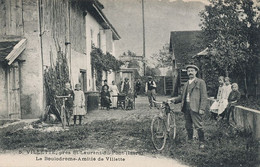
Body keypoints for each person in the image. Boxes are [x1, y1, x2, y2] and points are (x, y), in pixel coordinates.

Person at [169, 65, 207, 149]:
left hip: (196, 107)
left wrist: (202, 108)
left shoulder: (200, 82)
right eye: (188, 71)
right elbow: (182, 96)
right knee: (188, 125)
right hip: (186, 107)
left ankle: (202, 142)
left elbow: (204, 96)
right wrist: (174, 100)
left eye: (192, 71)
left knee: (198, 125)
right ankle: (190, 140)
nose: (190, 72)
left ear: (196, 72)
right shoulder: (186, 84)